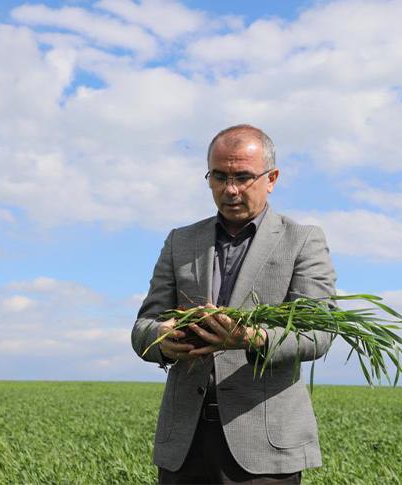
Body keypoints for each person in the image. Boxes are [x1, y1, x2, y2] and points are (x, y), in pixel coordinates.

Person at [132, 124, 337, 484]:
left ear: (271, 178)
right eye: (219, 176)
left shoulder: (302, 241)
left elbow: (318, 332)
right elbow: (143, 325)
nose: (230, 189)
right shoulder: (181, 241)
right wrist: (161, 339)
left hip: (264, 447)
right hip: (185, 444)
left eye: (243, 177)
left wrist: (251, 337)